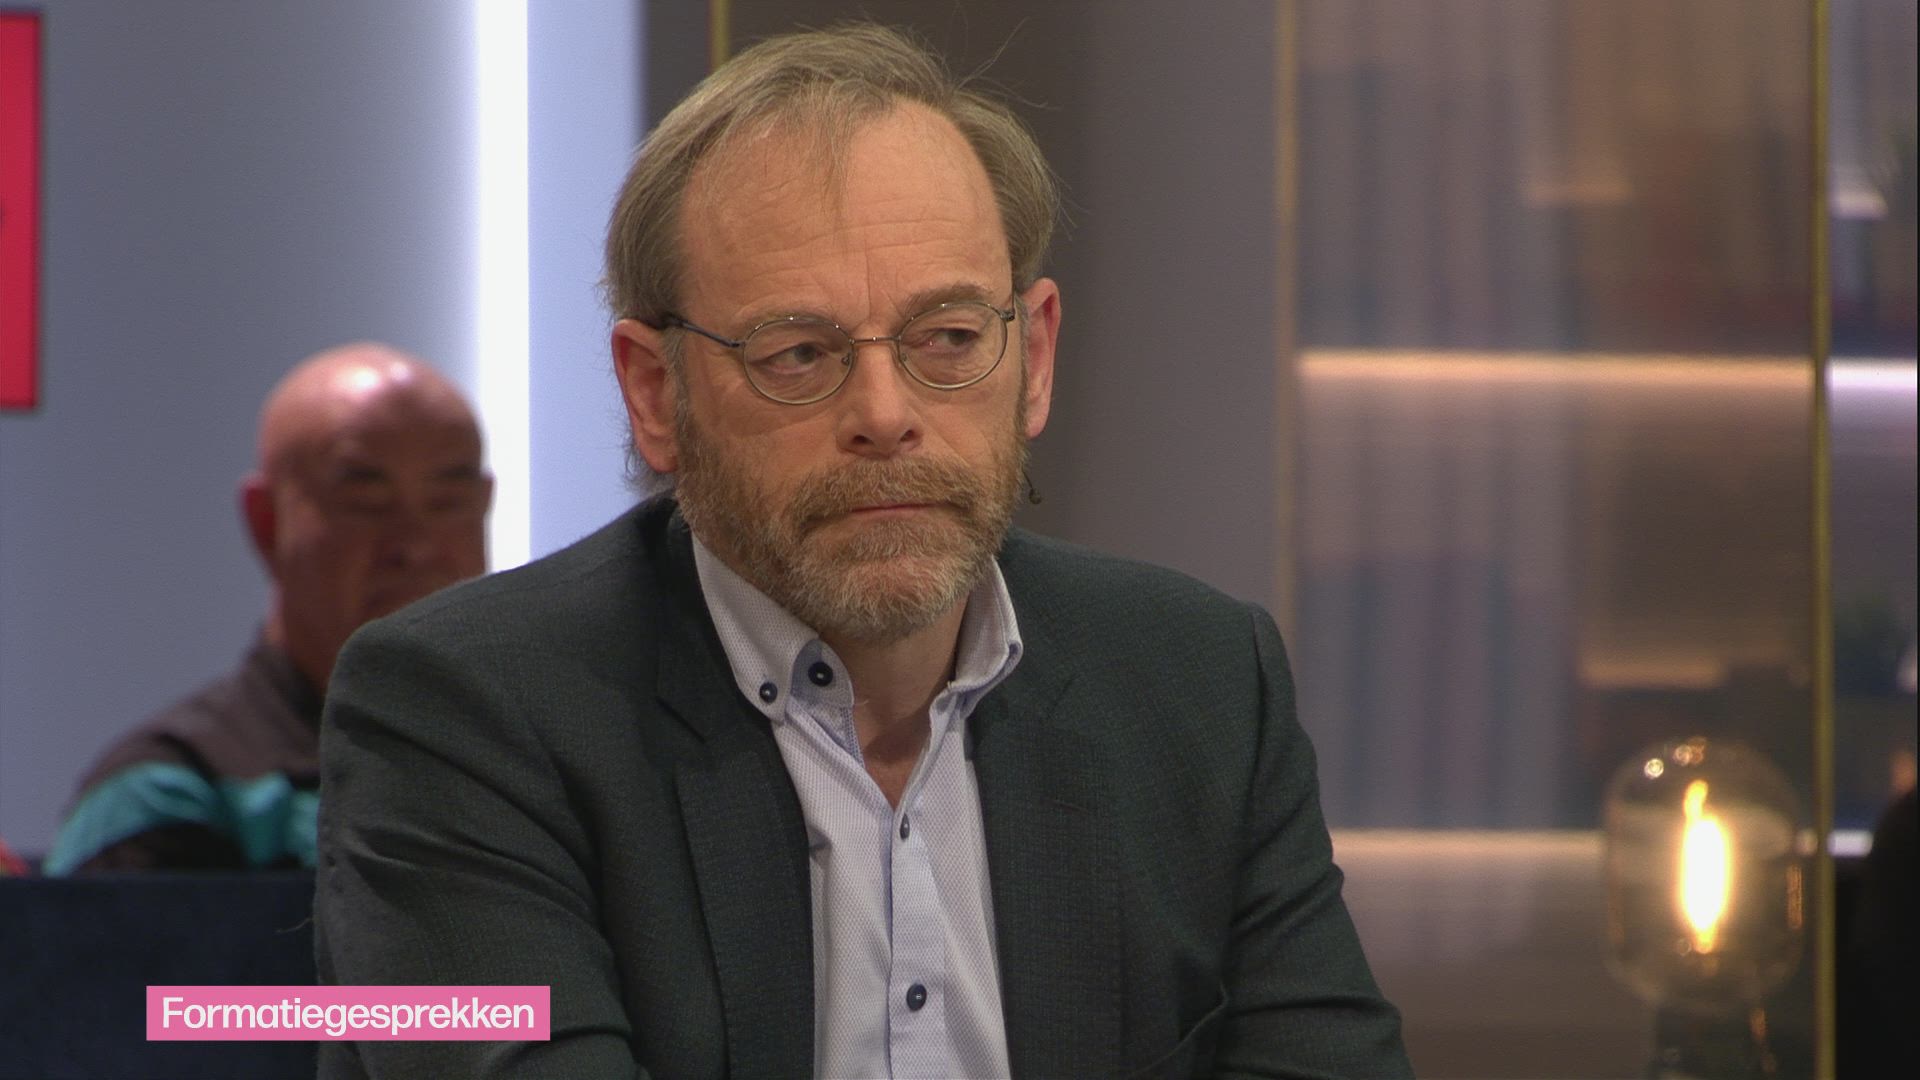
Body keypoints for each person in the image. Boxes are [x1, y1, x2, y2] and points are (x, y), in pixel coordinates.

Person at [315, 24, 1409, 1079]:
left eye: (949, 338)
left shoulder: (1198, 682)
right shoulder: (460, 717)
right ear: (655, 393)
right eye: (799, 353)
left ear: (1033, 360)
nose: (886, 415)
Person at [44, 343, 491, 875]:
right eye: (366, 501)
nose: (415, 545)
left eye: (448, 502)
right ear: (266, 521)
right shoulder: (170, 794)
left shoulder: (535, 766)